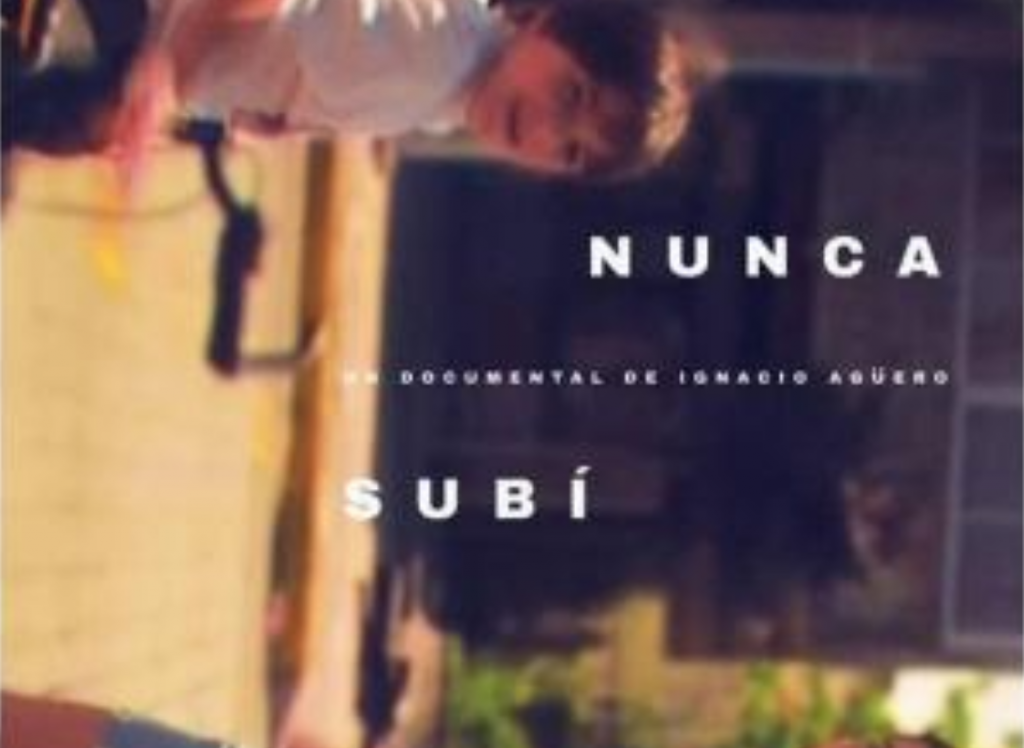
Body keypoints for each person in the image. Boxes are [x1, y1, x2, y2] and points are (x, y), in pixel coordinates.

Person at [7, 0, 714, 180]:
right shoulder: (432, 50)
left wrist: (266, 118)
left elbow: (313, 52)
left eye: (570, 152)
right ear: (549, 22)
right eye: (572, 95)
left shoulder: (455, 89)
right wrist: (164, 69)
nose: (542, 130)